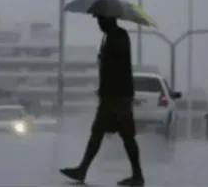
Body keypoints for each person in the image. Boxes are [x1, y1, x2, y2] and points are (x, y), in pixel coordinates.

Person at [60, 16, 145, 187]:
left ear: (108, 20)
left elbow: (117, 65)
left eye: (100, 20)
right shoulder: (111, 37)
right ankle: (82, 169)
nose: (98, 23)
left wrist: (106, 55)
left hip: (118, 95)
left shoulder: (119, 37)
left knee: (127, 135)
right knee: (97, 131)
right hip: (110, 95)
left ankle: (137, 175)